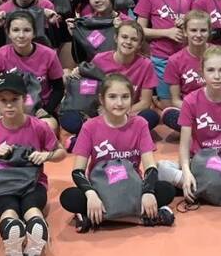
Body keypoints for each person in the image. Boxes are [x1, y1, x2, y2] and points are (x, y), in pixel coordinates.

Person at [61, 73, 178, 230]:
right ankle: (140, 218)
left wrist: (148, 192)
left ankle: (98, 218)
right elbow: (78, 171)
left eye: (125, 97)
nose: (119, 103)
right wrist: (91, 194)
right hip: (101, 188)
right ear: (102, 99)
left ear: (131, 99)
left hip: (132, 187)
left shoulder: (140, 124)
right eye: (112, 97)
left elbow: (150, 166)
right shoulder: (89, 127)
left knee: (166, 190)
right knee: (69, 197)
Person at [0, 73, 64, 256]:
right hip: (2, 185)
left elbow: (61, 153)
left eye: (14, 99)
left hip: (34, 183)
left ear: (25, 99)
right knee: (8, 209)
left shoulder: (39, 127)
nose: (9, 105)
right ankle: (13, 235)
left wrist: (46, 155)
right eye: (4, 100)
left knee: (31, 207)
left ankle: (35, 231)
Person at [171, 47, 221, 204]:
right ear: (202, 73)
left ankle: (201, 187)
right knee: (162, 169)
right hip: (201, 159)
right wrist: (186, 173)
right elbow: (184, 145)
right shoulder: (190, 100)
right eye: (210, 70)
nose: (216, 76)